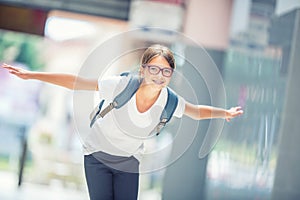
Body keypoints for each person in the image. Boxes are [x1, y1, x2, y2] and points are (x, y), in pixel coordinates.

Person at [2, 44, 243, 200]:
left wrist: (225, 113)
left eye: (166, 71)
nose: (159, 76)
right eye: (154, 69)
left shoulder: (170, 100)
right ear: (143, 69)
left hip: (129, 162)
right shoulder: (121, 84)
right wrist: (32, 75)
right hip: (97, 156)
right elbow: (78, 82)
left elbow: (197, 111)